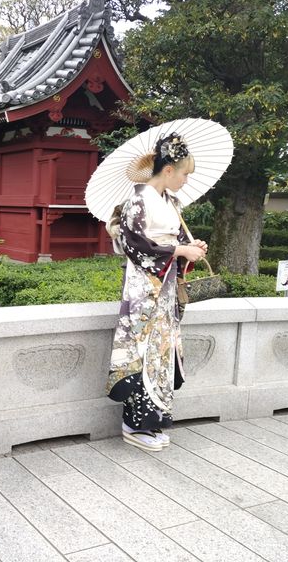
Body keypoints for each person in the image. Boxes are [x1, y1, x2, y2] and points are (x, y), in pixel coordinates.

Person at [106, 133, 207, 452]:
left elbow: (173, 244)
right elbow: (138, 247)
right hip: (143, 292)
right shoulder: (138, 200)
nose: (186, 180)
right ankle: (133, 425)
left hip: (164, 293)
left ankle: (154, 423)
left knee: (162, 356)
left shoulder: (170, 202)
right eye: (184, 173)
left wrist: (191, 249)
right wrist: (178, 250)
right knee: (144, 353)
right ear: (168, 170)